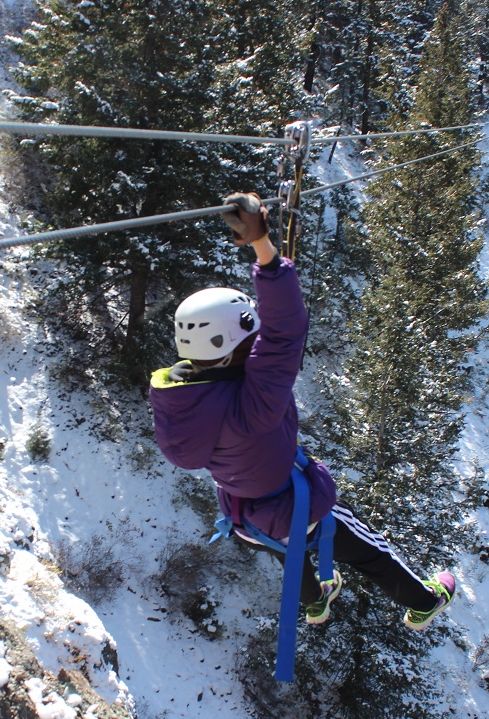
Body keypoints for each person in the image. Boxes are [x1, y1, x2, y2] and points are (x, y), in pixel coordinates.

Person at [149, 192, 455, 629]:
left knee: (288, 555)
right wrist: (264, 250)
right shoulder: (255, 403)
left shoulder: (179, 398)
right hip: (295, 509)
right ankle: (425, 600)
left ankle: (315, 603)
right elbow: (285, 331)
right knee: (370, 550)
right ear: (239, 342)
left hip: (245, 517)